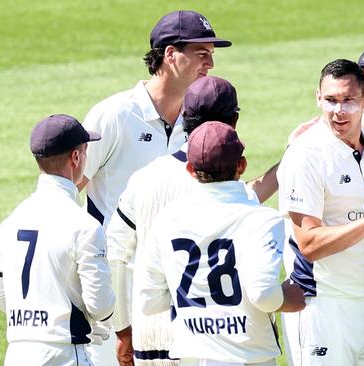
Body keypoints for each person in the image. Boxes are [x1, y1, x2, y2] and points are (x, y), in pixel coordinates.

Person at [79, 10, 231, 365]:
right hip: (117, 280)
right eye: (201, 53)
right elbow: (72, 187)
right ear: (170, 54)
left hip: (178, 281)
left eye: (212, 53)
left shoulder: (199, 124)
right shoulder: (114, 115)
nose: (210, 63)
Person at [106, 75, 255, 365]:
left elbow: (115, 255)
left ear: (185, 116)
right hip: (216, 343)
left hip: (152, 338)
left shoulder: (144, 178)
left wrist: (123, 329)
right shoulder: (235, 190)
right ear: (234, 121)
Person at [133, 122, 305, 365]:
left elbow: (148, 301)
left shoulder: (166, 220)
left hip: (192, 355)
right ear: (242, 165)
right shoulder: (263, 219)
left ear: (191, 169)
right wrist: (287, 297)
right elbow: (263, 294)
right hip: (249, 355)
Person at [277, 59, 364, 365]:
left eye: (348, 101)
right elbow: (310, 244)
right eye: (330, 100)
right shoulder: (306, 154)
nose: (338, 111)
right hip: (322, 304)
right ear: (318, 97)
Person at [0, 114, 115, 365]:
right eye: (85, 152)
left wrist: (35, 318)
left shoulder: (11, 221)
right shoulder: (85, 226)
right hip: (64, 355)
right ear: (76, 158)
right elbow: (100, 305)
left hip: (18, 353)